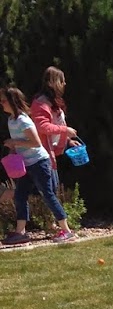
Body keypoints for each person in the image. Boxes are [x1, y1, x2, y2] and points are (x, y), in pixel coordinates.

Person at [1, 85, 73, 244]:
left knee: (47, 194)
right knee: (20, 195)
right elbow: (21, 142)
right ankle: (20, 232)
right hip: (26, 164)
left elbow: (36, 142)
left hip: (39, 162)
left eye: (4, 100)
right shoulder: (11, 120)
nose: (2, 103)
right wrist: (13, 149)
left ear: (12, 101)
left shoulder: (23, 120)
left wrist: (14, 142)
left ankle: (67, 231)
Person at [29, 66, 79, 195]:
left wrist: (68, 141)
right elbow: (43, 126)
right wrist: (65, 130)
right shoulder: (40, 103)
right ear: (51, 82)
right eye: (61, 80)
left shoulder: (54, 102)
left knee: (51, 191)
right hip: (42, 155)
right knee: (49, 193)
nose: (64, 84)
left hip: (49, 155)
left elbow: (55, 125)